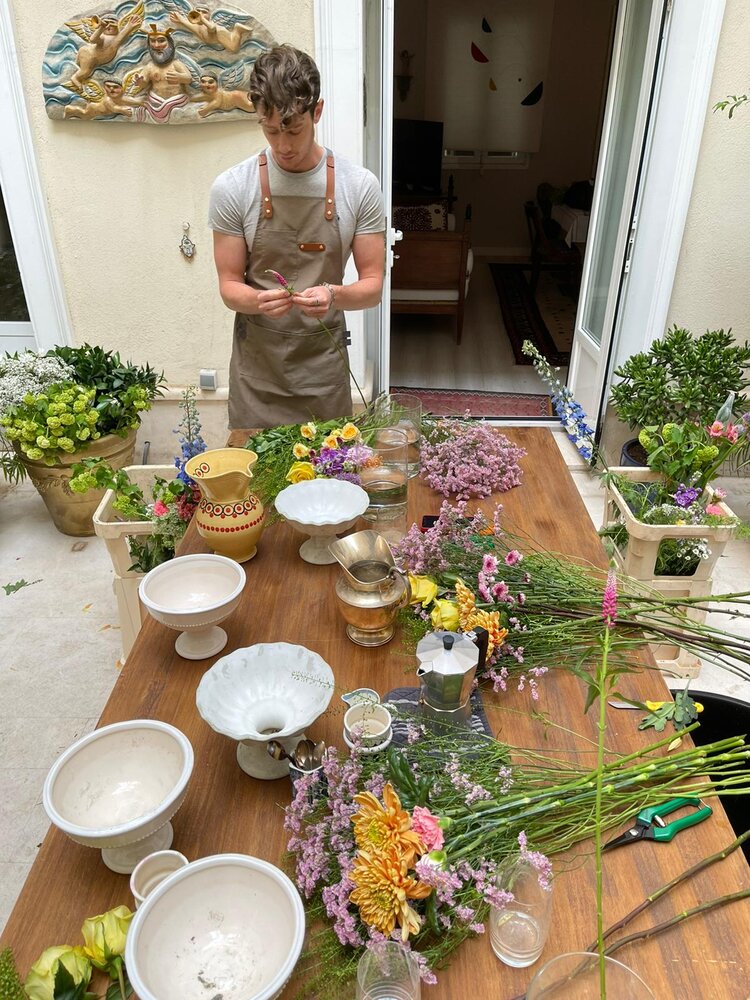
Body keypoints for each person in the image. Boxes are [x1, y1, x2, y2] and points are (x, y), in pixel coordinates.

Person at [208, 44, 385, 429]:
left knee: (325, 480)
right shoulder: (232, 188)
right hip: (258, 375)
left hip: (323, 373)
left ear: (317, 111)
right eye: (271, 130)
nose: (283, 145)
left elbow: (373, 286)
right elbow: (228, 286)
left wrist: (334, 294)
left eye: (294, 128)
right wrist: (256, 299)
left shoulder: (360, 186)